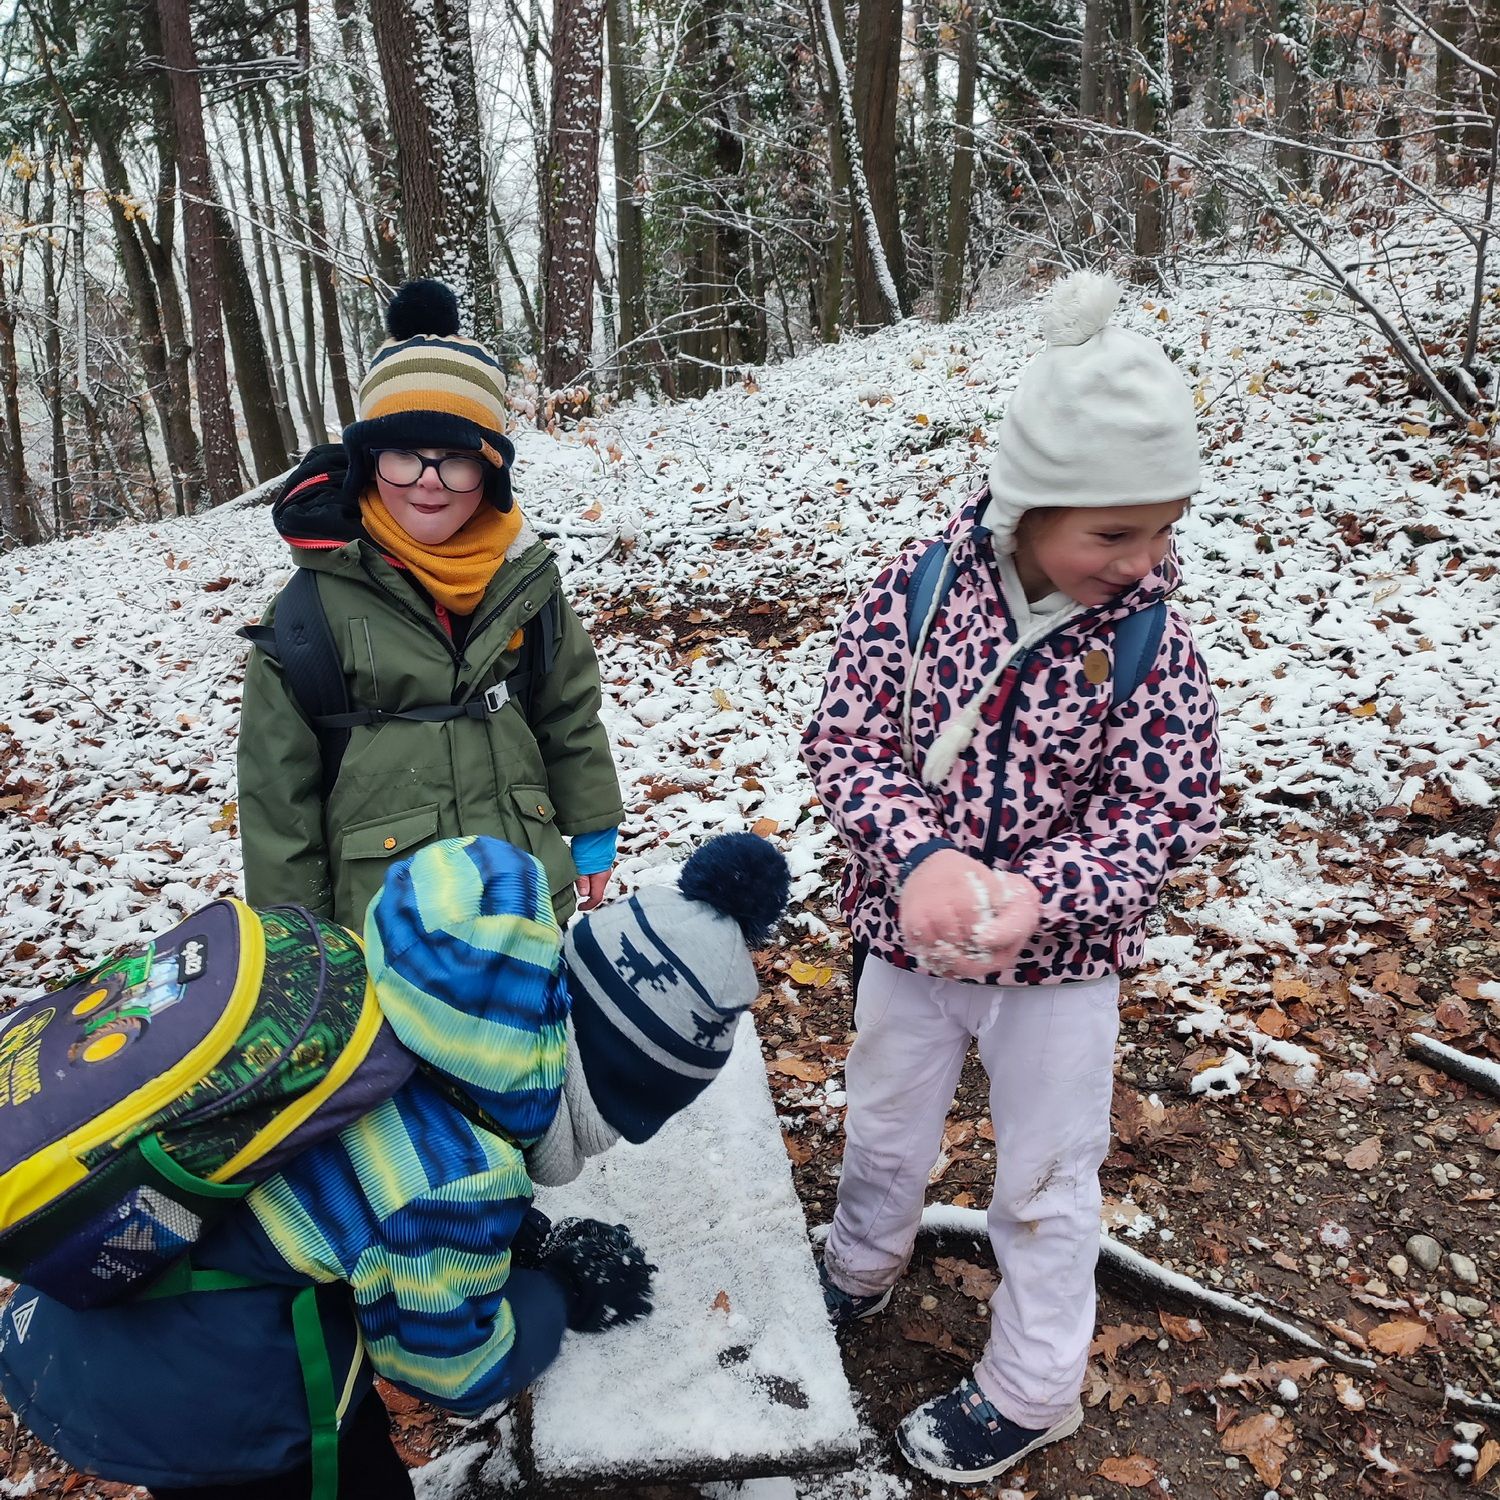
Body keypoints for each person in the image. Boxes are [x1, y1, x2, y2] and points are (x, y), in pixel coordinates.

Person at [0, 831, 791, 1499]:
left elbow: (364, 1181)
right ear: (609, 1085)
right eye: (626, 1118)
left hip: (120, 1296)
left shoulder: (424, 1008)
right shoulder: (461, 1179)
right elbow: (450, 1368)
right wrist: (559, 1291)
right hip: (209, 1394)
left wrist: (507, 1238)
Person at [800, 270, 1222, 1484]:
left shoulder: (1148, 644)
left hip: (1062, 970)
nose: (1144, 562)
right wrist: (919, 857)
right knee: (885, 1120)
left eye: (1163, 531)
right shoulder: (917, 594)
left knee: (1046, 1177)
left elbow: (1167, 807)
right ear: (1029, 506)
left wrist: (1045, 895)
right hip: (910, 942)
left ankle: (1033, 1384)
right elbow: (843, 743)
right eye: (1114, 535)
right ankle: (861, 1263)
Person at [238, 278, 623, 929]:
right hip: (391, 924)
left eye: (455, 459)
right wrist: (298, 934)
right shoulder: (311, 613)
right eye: (404, 456)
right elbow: (277, 796)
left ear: (491, 471)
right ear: (367, 461)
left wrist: (592, 823)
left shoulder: (524, 581)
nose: (428, 481)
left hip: (523, 897)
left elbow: (567, 708)